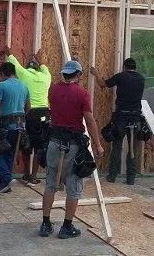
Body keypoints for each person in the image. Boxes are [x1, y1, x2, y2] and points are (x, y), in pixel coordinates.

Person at [40, 60, 105, 239]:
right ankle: (66, 227)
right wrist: (98, 144)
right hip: (73, 146)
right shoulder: (82, 94)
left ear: (63, 73)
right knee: (74, 187)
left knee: (50, 184)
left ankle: (45, 224)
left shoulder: (53, 89)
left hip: (54, 142)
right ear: (79, 74)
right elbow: (90, 121)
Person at [90, 58, 145, 185]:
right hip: (136, 118)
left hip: (121, 118)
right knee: (132, 150)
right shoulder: (141, 79)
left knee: (117, 147)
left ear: (125, 67)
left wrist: (96, 73)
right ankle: (131, 179)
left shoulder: (121, 77)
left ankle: (112, 176)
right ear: (135, 67)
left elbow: (103, 84)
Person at [6, 46, 51, 186]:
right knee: (40, 146)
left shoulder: (25, 75)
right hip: (44, 114)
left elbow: (14, 63)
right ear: (38, 68)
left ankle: (26, 173)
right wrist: (39, 58)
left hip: (30, 114)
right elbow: (44, 66)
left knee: (26, 144)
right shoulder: (46, 76)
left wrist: (9, 51)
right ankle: (33, 175)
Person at [0, 62, 31, 193]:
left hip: (5, 128)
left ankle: (6, 177)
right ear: (14, 72)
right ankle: (4, 185)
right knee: (9, 154)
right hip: (20, 128)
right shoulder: (24, 86)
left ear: (2, 73)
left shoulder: (1, 86)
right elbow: (28, 107)